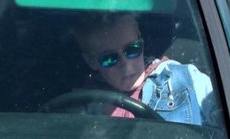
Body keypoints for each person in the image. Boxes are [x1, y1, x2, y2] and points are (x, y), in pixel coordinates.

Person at [73, 12, 220, 126]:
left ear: (141, 40)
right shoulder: (81, 105)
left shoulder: (186, 80)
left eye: (132, 49)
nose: (126, 64)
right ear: (92, 62)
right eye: (109, 59)